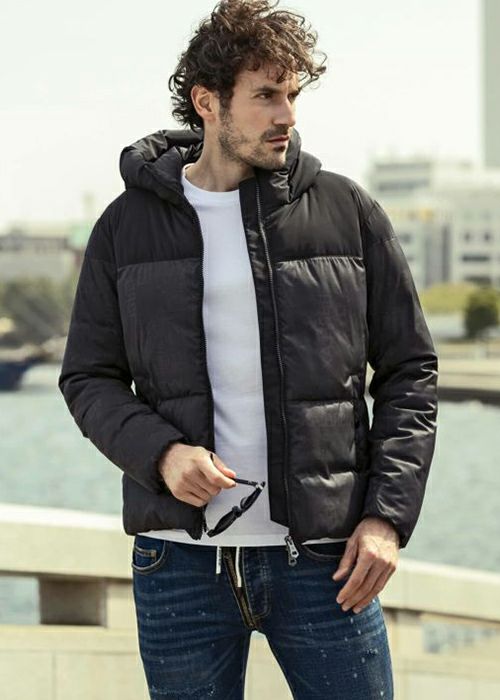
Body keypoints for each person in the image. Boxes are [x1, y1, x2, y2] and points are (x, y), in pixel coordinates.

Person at [58, 0, 438, 697]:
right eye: (265, 95)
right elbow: (88, 377)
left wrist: (387, 517)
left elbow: (410, 369)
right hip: (179, 566)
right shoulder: (125, 227)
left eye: (292, 95)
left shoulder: (346, 212)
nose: (286, 114)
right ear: (208, 103)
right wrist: (162, 455)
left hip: (326, 562)